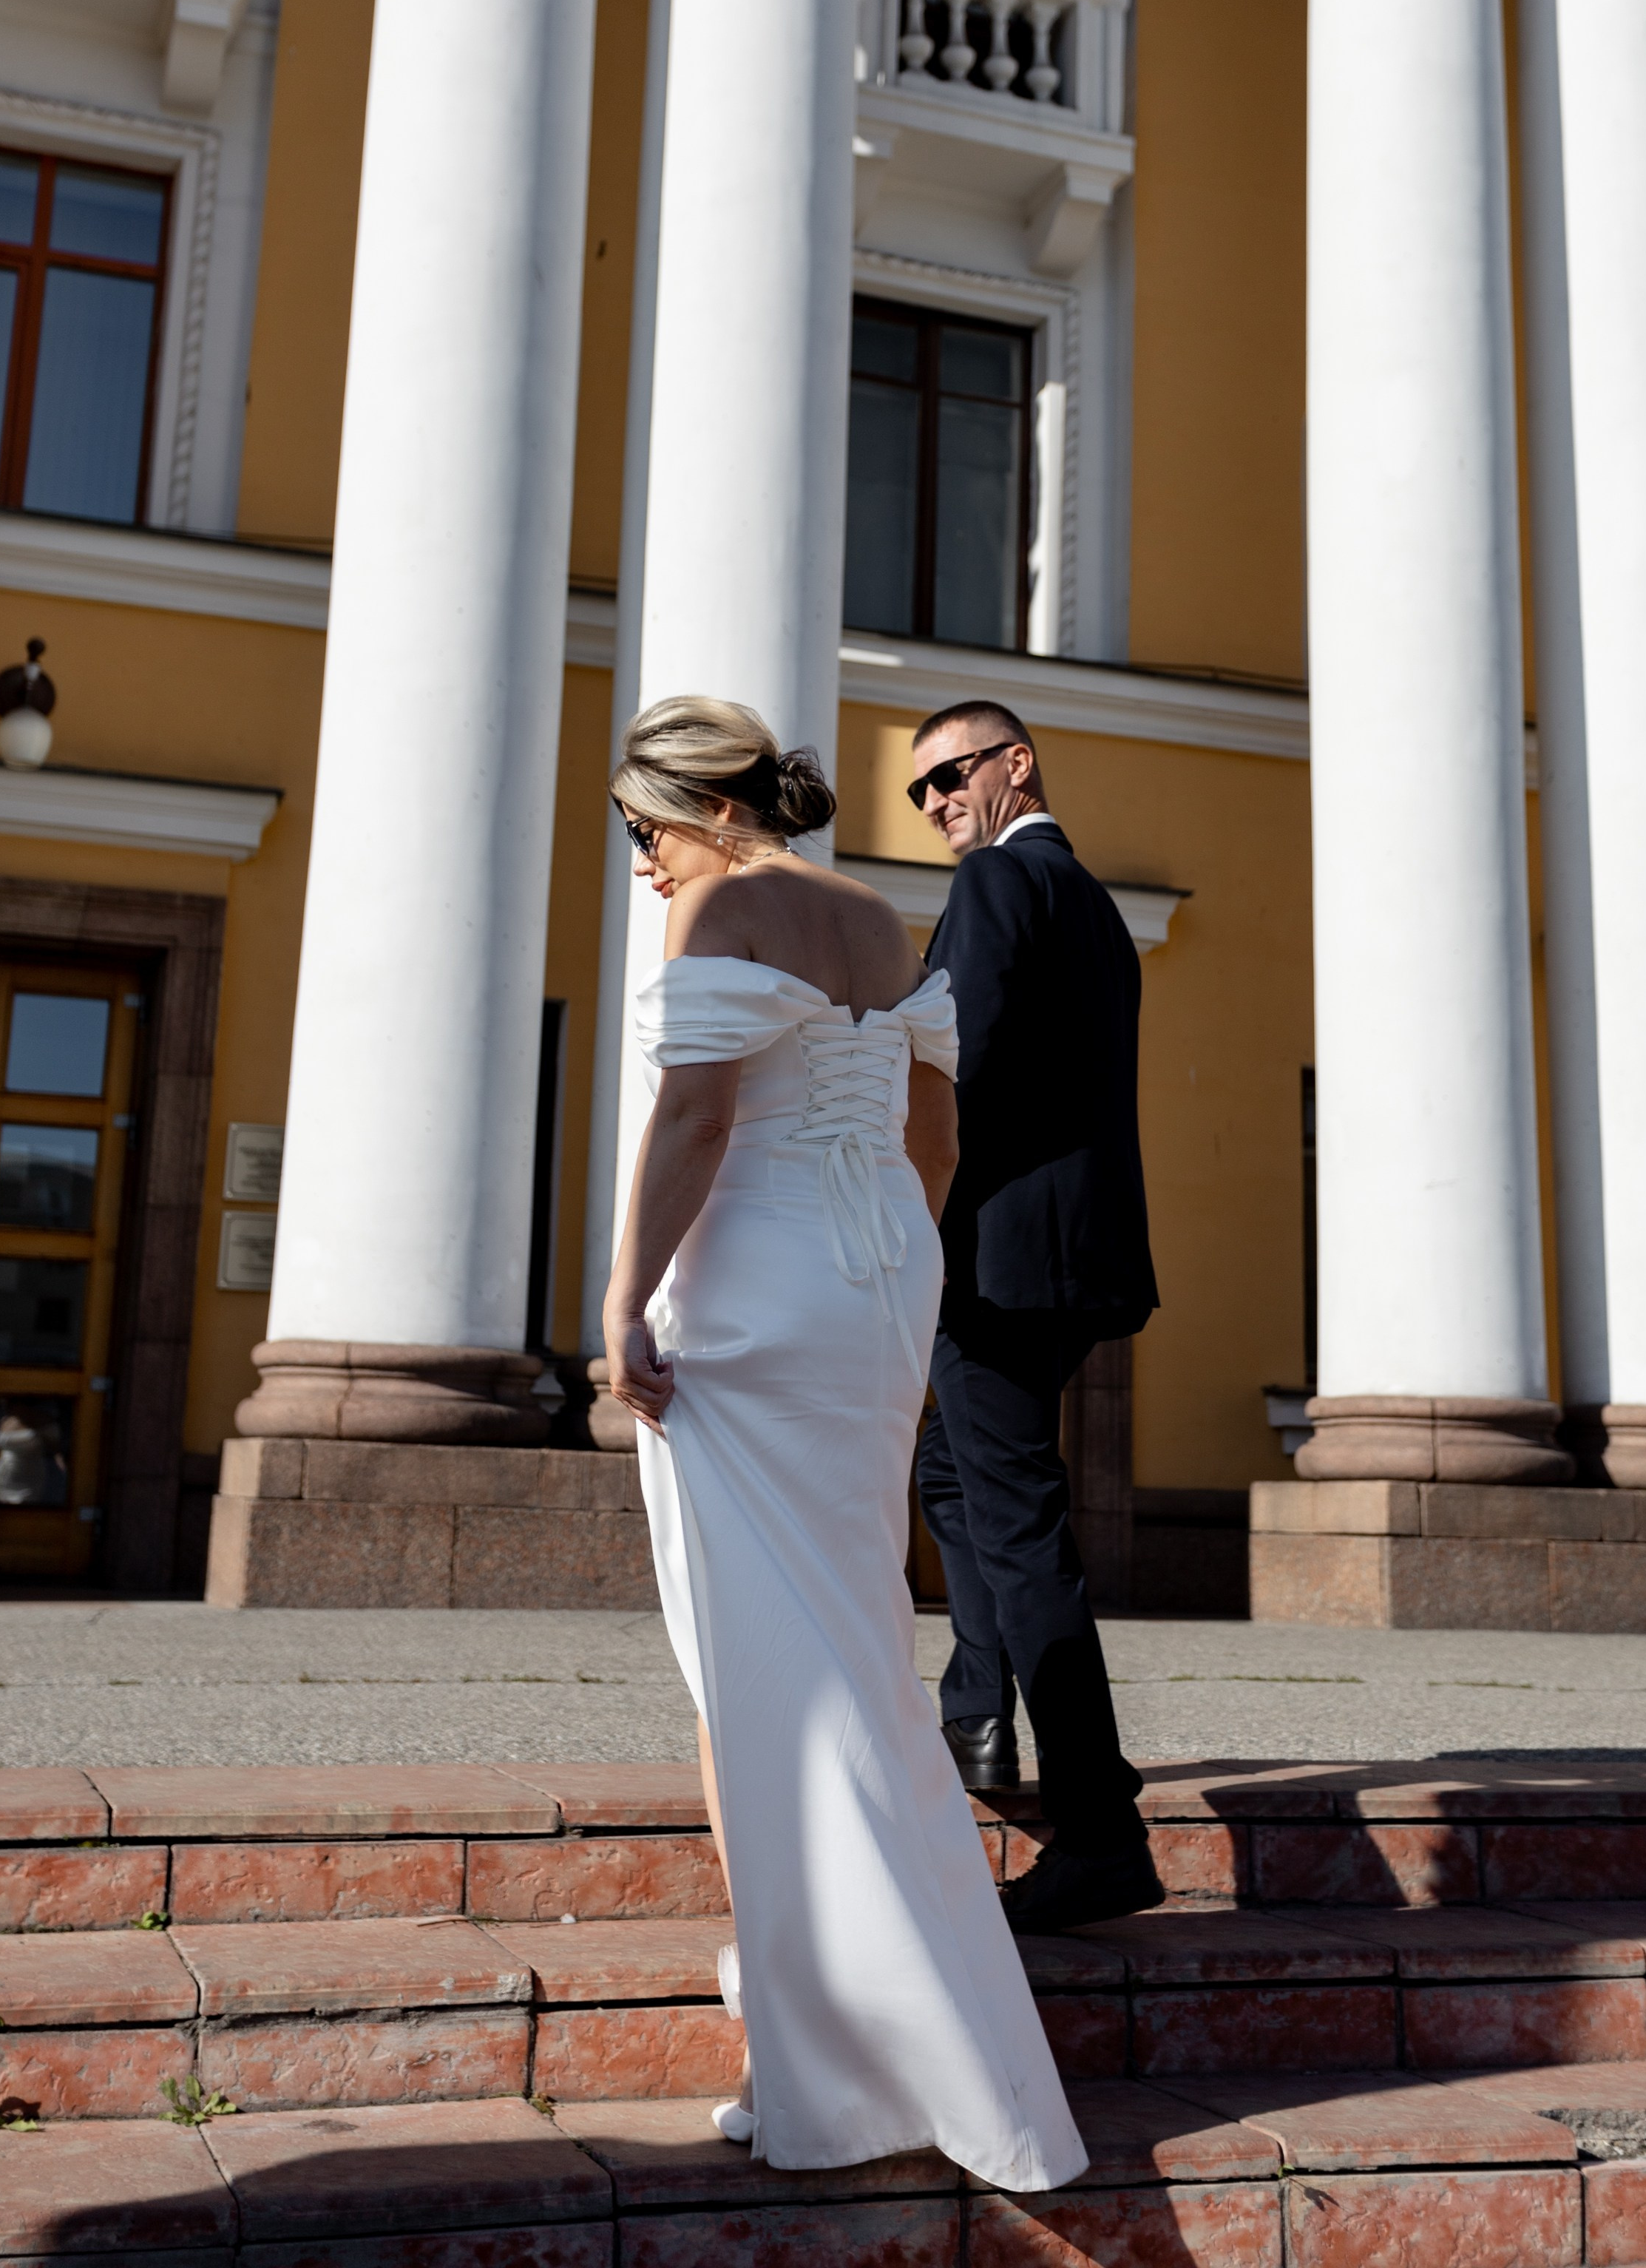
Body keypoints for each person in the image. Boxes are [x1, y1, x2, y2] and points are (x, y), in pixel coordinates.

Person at [603, 694, 1086, 2192]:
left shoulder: (726, 912)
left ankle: (824, 2055)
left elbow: (691, 1124)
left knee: (752, 1662)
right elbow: (932, 1140)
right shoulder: (885, 919)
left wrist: (622, 1303)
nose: (642, 869)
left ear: (710, 814)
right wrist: (891, 1268)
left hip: (749, 1297)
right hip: (876, 1283)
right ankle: (907, 2029)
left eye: (643, 835)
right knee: (860, 1648)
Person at [910, 698, 1163, 1936]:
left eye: (951, 774)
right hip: (1075, 1260)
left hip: (998, 1262)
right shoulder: (1100, 910)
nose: (938, 802)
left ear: (1017, 764)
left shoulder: (999, 888)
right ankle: (974, 1700)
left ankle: (1100, 1829)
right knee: (954, 1477)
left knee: (1016, 1523)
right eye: (921, 792)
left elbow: (957, 1060)